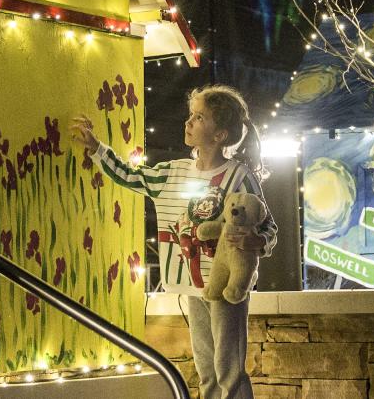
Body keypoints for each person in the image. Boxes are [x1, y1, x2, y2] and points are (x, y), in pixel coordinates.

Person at [70, 85, 277, 399]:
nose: (188, 123)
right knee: (206, 370)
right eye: (190, 116)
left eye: (199, 117)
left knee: (229, 370)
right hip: (192, 286)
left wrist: (257, 240)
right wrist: (98, 148)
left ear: (220, 134)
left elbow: (269, 227)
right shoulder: (172, 173)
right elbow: (128, 175)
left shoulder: (239, 176)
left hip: (226, 288)